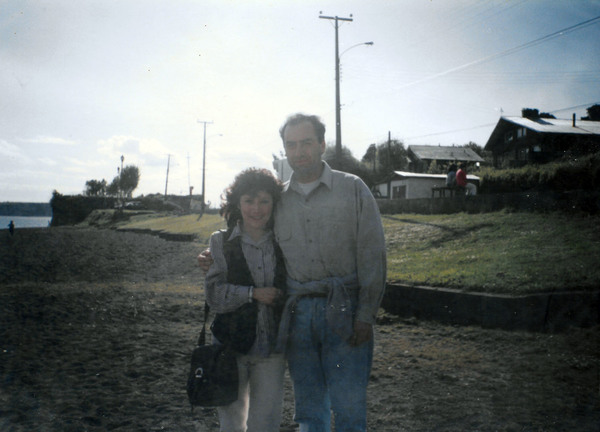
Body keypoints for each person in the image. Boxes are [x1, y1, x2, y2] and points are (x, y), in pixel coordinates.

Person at [199, 113, 387, 432]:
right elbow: (246, 232)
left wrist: (365, 314)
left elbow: (374, 256)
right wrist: (211, 255)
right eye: (291, 144)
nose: (299, 152)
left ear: (323, 144)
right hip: (297, 318)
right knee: (310, 412)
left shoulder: (353, 189)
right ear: (285, 148)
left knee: (349, 410)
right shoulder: (278, 200)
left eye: (307, 143)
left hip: (345, 309)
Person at [204, 168, 287, 432]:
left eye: (264, 201)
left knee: (266, 424)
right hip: (230, 348)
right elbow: (214, 296)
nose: (257, 209)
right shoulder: (219, 241)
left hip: (272, 349)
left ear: (274, 203)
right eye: (249, 201)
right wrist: (252, 294)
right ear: (237, 204)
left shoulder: (285, 240)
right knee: (231, 424)